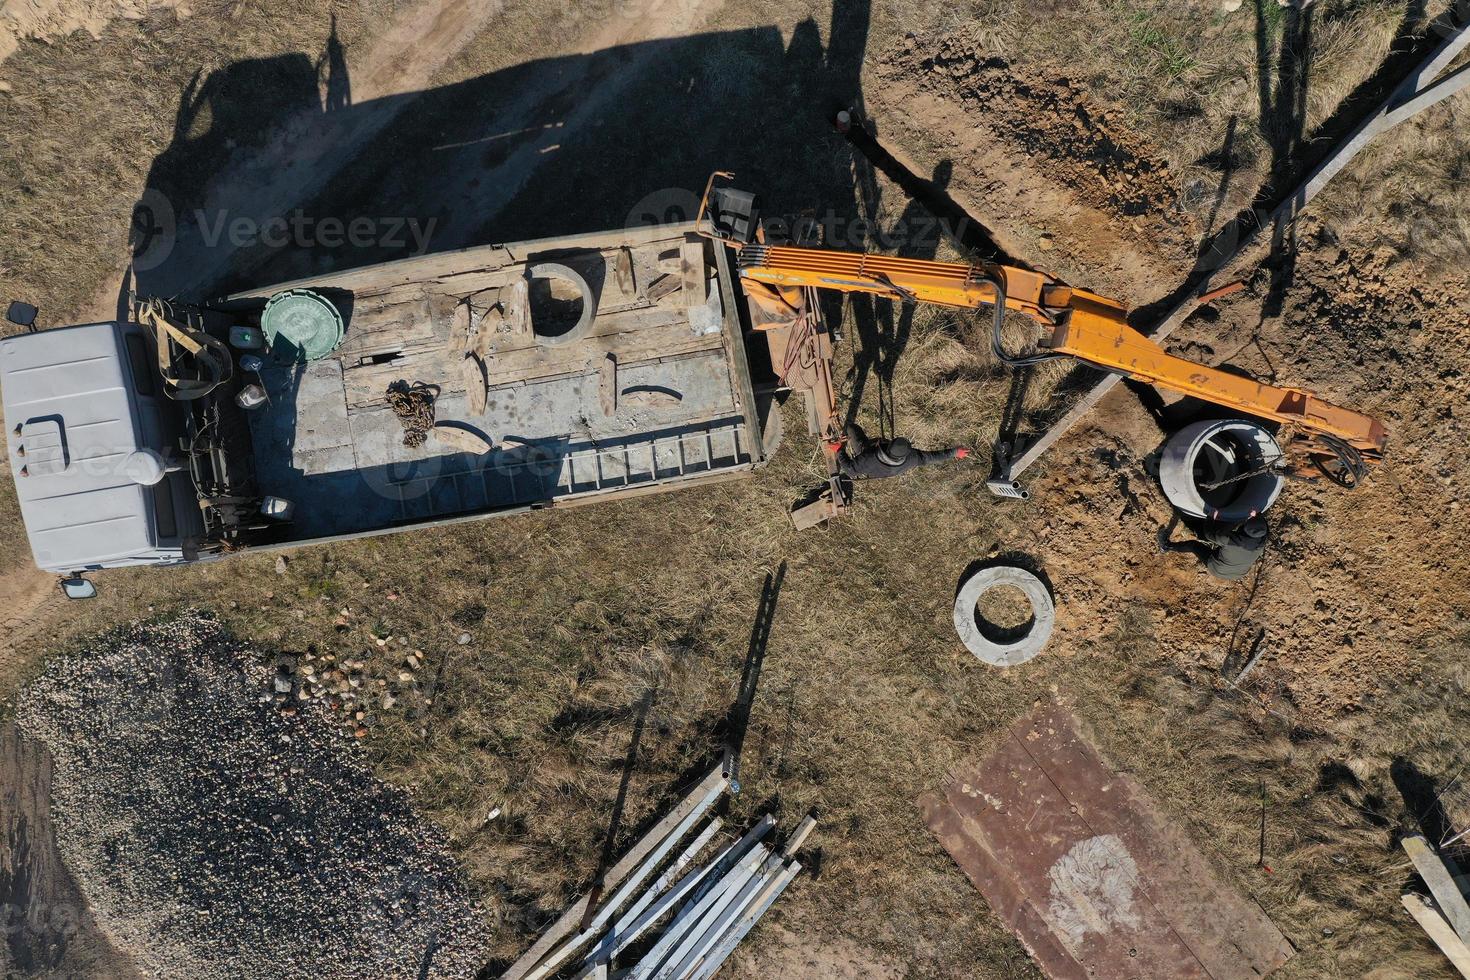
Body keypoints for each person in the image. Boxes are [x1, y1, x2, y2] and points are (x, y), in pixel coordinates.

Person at [836, 422, 968, 479]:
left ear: (887, 447)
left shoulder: (869, 457)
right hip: (884, 472)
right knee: (878, 439)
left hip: (870, 466)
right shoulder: (912, 458)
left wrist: (839, 450)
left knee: (852, 428)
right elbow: (932, 457)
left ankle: (849, 432)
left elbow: (850, 471)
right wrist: (955, 453)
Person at [1158, 514, 1268, 581]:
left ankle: (1166, 546)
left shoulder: (1231, 541)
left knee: (1194, 545)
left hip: (1217, 568)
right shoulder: (1262, 542)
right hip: (1238, 573)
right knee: (1226, 550)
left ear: (1245, 528)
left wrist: (1211, 517)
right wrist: (1256, 516)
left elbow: (1209, 534)